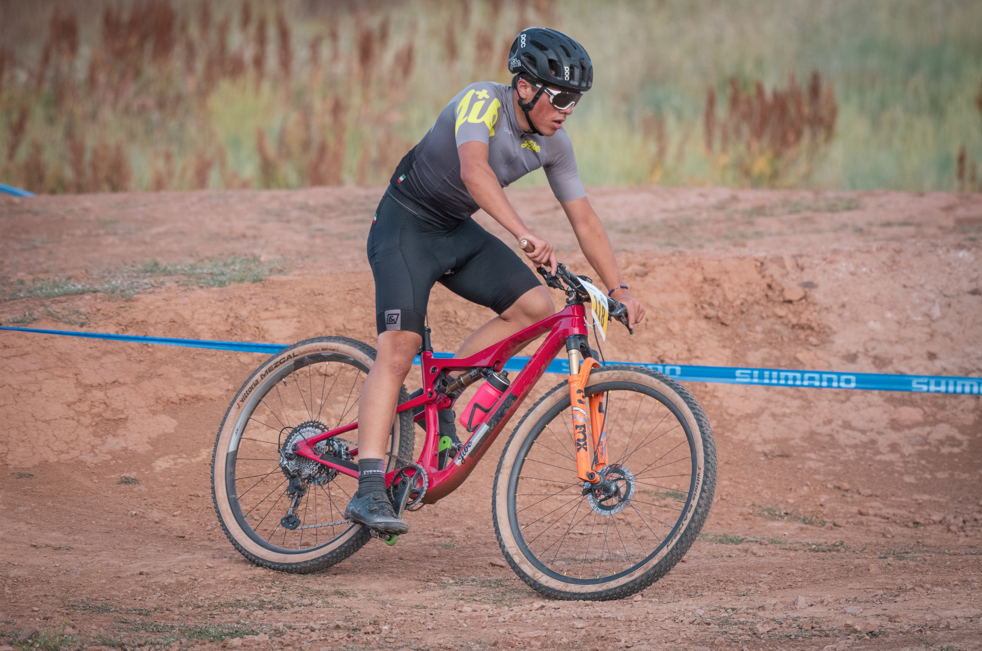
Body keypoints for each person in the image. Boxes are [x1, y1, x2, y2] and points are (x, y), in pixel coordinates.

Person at [344, 27, 646, 533]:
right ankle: (369, 486)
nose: (569, 108)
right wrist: (524, 234)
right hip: (405, 224)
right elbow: (474, 172)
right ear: (525, 87)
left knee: (535, 306)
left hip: (453, 230)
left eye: (577, 100)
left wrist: (618, 289)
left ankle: (442, 388)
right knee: (399, 347)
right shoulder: (482, 101)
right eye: (562, 96)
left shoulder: (555, 144)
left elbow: (584, 218)